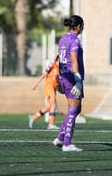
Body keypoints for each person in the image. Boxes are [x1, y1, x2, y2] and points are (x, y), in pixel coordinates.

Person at [52, 15, 85, 152]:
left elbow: (60, 59)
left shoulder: (63, 39)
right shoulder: (75, 41)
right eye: (82, 26)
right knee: (73, 109)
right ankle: (67, 143)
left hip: (65, 76)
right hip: (72, 77)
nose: (82, 28)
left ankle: (60, 138)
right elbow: (74, 59)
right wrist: (77, 81)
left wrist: (61, 76)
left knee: (76, 109)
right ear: (78, 27)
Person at [28, 54, 60, 130]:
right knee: (54, 105)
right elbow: (44, 75)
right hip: (49, 87)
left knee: (49, 107)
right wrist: (35, 84)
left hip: (54, 88)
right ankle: (51, 124)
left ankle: (33, 117)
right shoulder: (52, 65)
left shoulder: (60, 69)